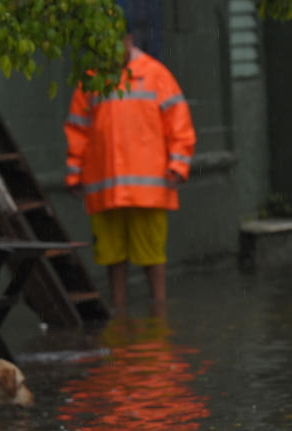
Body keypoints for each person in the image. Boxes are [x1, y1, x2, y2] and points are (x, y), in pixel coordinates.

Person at [65, 31, 196, 313]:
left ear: (130, 40)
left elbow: (179, 125)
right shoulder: (90, 79)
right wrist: (74, 173)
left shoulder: (155, 74)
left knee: (152, 257)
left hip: (148, 189)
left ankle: (158, 317)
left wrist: (178, 165)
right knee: (113, 259)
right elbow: (78, 129)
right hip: (106, 188)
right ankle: (121, 316)